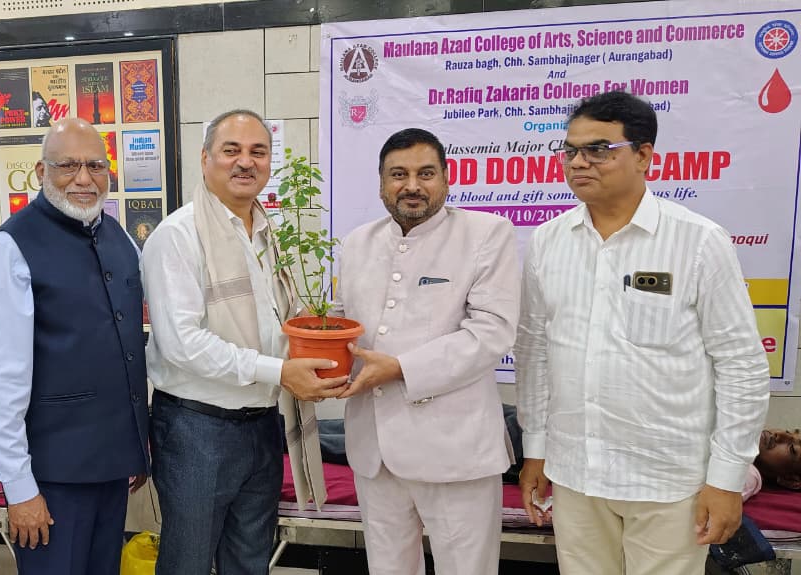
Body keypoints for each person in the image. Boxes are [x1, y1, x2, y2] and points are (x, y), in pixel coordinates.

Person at [515, 91, 771, 574]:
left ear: (644, 155)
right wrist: (536, 452)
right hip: (575, 474)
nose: (578, 162)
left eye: (598, 149)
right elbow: (534, 351)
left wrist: (725, 478)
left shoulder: (698, 241)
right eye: (570, 150)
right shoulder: (548, 240)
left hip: (668, 480)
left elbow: (741, 365)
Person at [141, 109, 349, 575]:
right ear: (205, 158)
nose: (245, 162)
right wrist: (281, 372)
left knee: (250, 562)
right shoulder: (177, 236)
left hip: (262, 424)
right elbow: (181, 344)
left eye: (258, 151)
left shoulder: (268, 234)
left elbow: (279, 322)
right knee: (188, 564)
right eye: (231, 150)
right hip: (197, 431)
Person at [338, 128, 519, 575]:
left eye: (426, 173)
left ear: (446, 178)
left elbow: (491, 332)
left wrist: (400, 368)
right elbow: (344, 321)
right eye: (398, 174)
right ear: (381, 182)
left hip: (455, 450)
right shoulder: (357, 242)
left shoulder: (486, 234)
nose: (412, 186)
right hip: (375, 451)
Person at [0, 117, 149, 575]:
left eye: (95, 166)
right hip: (49, 478)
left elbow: (125, 349)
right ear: (41, 171)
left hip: (112, 468)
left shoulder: (119, 238)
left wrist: (135, 447)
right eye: (68, 166)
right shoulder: (10, 248)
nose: (83, 179)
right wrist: (19, 487)